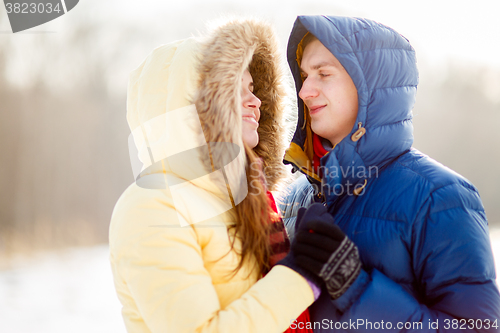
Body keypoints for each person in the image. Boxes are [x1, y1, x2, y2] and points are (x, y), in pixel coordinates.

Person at [280, 15, 500, 332]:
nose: (304, 91)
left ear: (370, 85)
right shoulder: (295, 196)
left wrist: (355, 288)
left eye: (323, 74)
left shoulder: (440, 197)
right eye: (304, 76)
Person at [109, 19, 321, 333]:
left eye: (253, 88)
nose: (256, 101)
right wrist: (300, 274)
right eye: (236, 89)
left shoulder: (250, 202)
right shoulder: (151, 205)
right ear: (192, 109)